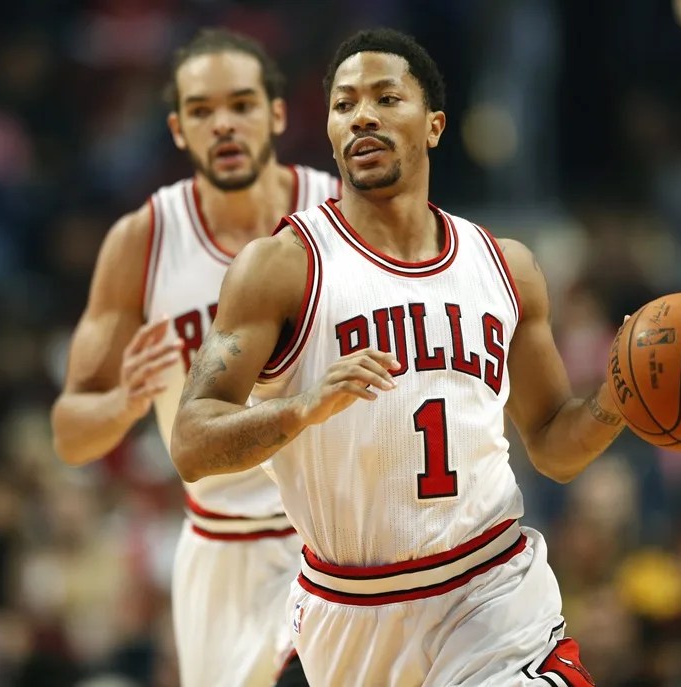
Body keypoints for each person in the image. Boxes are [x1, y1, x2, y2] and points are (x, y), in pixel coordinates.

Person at [171, 27, 623, 686]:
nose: (363, 116)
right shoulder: (282, 267)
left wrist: (616, 401)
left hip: (492, 591)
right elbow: (191, 441)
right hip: (353, 613)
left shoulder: (507, 268)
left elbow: (554, 444)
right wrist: (301, 408)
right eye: (345, 103)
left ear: (434, 125)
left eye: (386, 98)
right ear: (331, 132)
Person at [50, 28, 338, 687]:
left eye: (241, 104)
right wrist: (124, 401)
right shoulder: (145, 239)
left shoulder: (338, 212)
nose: (224, 124)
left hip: (331, 532)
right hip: (220, 547)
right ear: (179, 130)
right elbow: (69, 433)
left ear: (278, 114)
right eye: (203, 111)